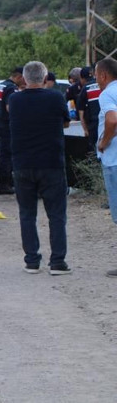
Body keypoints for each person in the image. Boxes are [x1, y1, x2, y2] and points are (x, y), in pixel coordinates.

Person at [9, 61, 71, 275]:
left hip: (23, 163)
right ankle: (58, 262)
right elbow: (65, 122)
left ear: (24, 79)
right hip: (51, 163)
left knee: (27, 214)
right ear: (45, 79)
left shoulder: (14, 99)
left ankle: (32, 261)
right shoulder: (55, 97)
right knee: (56, 215)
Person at [95, 58, 117, 276]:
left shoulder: (107, 94)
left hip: (114, 160)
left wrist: (104, 142)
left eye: (96, 76)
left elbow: (112, 120)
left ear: (104, 75)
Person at [0, 66, 24, 194]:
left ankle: (4, 182)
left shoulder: (0, 85)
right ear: (19, 77)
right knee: (7, 156)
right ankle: (5, 185)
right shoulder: (11, 88)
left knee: (4, 155)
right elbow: (11, 108)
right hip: (5, 124)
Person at [77, 66, 101, 153]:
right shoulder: (102, 84)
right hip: (107, 122)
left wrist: (85, 130)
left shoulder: (85, 89)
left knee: (93, 151)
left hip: (93, 125)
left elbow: (81, 113)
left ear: (82, 78)